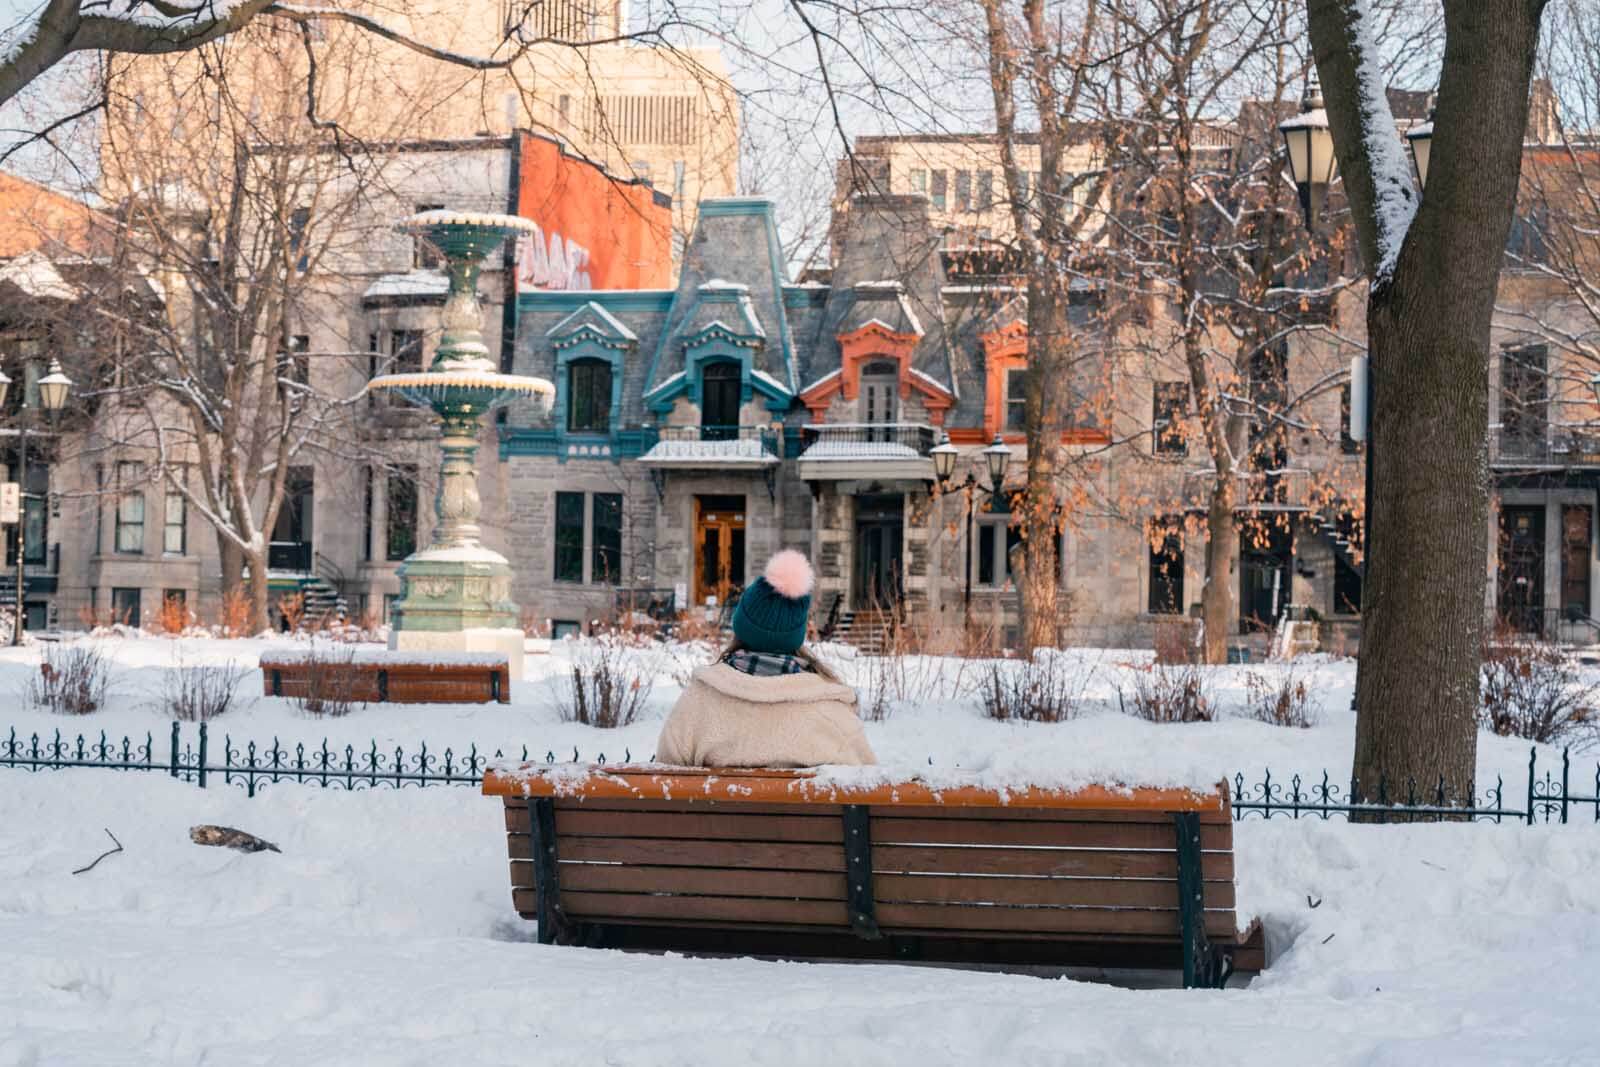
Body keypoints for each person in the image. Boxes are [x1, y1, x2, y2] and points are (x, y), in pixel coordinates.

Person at [655, 550, 876, 767]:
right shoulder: (834, 719)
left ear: (740, 629)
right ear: (797, 635)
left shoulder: (697, 704)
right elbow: (866, 784)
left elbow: (663, 778)